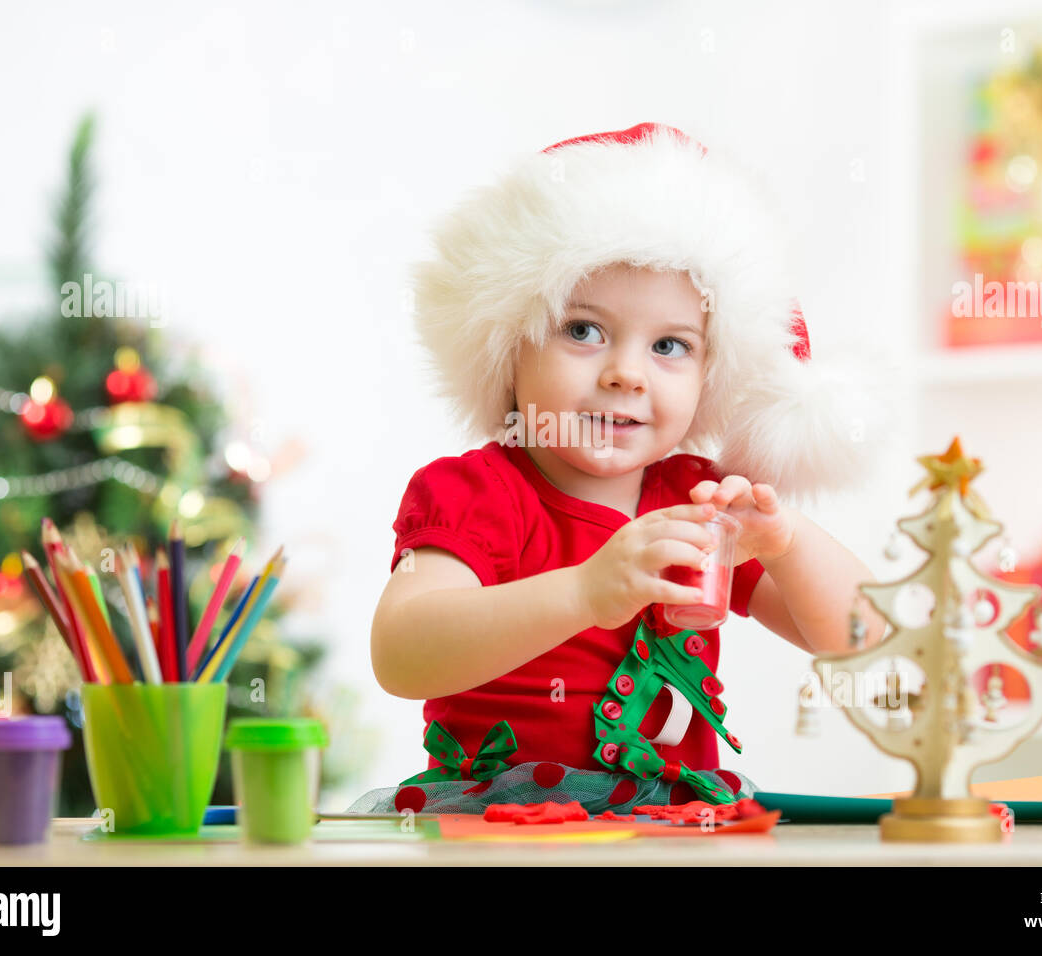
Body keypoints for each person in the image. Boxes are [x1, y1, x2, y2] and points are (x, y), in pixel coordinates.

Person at [352, 123, 887, 816]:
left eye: (670, 344)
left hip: (669, 827)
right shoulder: (476, 494)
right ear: (508, 344)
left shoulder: (695, 502)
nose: (626, 374)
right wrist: (583, 593)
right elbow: (402, 653)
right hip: (500, 828)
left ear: (710, 375)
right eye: (583, 330)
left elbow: (867, 639)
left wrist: (788, 543)